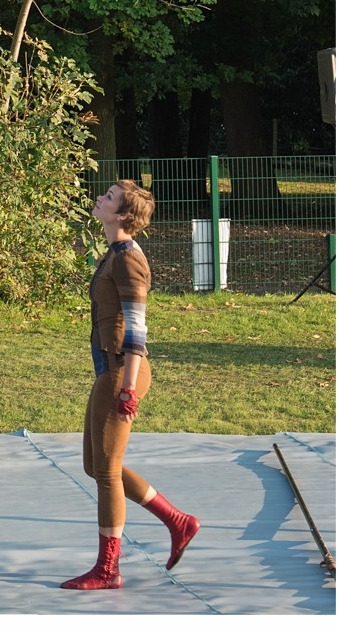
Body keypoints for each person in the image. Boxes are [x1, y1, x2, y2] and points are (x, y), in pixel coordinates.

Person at [60, 179, 200, 591]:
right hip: (111, 368)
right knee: (97, 465)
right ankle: (178, 521)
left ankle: (108, 570)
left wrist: (128, 387)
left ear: (123, 215)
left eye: (108, 198)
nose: (99, 199)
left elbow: (137, 327)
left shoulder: (128, 260)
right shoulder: (114, 252)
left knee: (105, 471)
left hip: (123, 370)